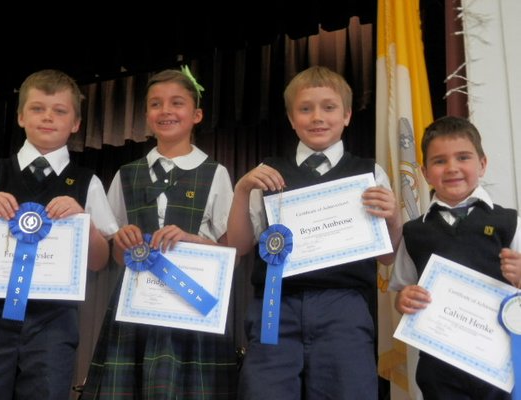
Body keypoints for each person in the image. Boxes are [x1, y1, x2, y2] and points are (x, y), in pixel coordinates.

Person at [227, 65, 402, 399]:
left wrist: (393, 219)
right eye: (305, 109)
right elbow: (239, 247)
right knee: (264, 392)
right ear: (292, 119)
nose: (317, 117)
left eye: (329, 107)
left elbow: (387, 255)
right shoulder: (266, 174)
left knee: (348, 391)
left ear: (348, 115)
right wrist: (240, 191)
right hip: (276, 304)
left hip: (345, 307)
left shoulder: (368, 173)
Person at [81, 67, 238, 399]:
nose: (166, 111)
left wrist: (197, 241)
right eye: (156, 104)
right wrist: (121, 242)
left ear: (196, 114)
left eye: (176, 103)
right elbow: (114, 252)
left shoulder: (215, 173)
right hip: (135, 308)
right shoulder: (126, 175)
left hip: (192, 308)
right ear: (147, 115)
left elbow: (230, 251)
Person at [0, 69, 118, 400]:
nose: (48, 117)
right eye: (37, 108)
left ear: (76, 123)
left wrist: (83, 221)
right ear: (19, 116)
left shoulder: (88, 182)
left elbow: (100, 261)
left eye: (60, 111)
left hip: (54, 322)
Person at [389, 116, 521, 400]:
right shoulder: (414, 233)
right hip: (440, 368)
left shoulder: (510, 222)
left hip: (500, 365)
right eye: (439, 161)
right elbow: (403, 291)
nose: (452, 168)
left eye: (463, 157)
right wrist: (403, 300)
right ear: (424, 172)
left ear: (482, 164)